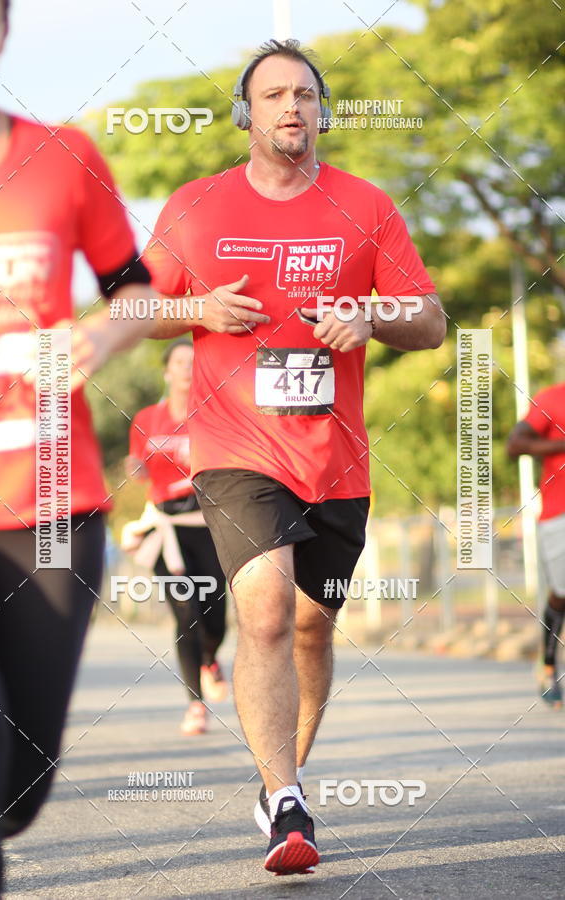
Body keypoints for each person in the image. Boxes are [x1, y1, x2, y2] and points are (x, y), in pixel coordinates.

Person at [142, 39, 445, 874]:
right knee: (267, 609)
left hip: (336, 457)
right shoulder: (196, 207)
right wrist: (202, 304)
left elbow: (431, 321)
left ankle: (289, 774)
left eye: (304, 95)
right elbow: (138, 305)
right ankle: (285, 804)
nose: (290, 109)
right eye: (273, 95)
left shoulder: (366, 206)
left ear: (322, 109)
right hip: (237, 446)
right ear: (246, 112)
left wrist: (371, 318)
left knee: (313, 626)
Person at [0, 1, 159, 895]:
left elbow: (138, 294)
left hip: (49, 501)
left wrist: (105, 337)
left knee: (19, 779)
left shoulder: (65, 156)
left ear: (3, 32)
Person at [125, 339, 228, 735]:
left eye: (194, 362)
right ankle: (195, 705)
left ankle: (210, 657)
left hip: (208, 523)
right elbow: (140, 469)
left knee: (216, 614)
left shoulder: (215, 414)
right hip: (166, 526)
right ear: (167, 371)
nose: (187, 368)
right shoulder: (146, 419)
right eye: (180, 362)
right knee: (185, 610)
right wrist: (134, 468)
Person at [507, 382, 565, 707]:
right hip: (560, 513)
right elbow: (515, 444)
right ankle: (547, 664)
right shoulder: (552, 398)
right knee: (562, 592)